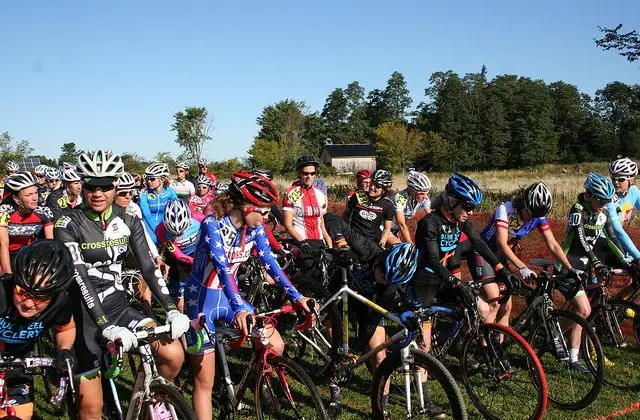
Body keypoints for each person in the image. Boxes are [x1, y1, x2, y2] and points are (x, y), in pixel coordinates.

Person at [54, 149, 190, 419]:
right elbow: (80, 277)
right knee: (91, 409)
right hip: (83, 317)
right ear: (82, 184)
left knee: (173, 354)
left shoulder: (128, 218)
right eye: (91, 185)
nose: (98, 193)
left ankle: (149, 394)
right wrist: (106, 326)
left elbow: (148, 267)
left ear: (115, 186)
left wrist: (172, 309)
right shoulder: (67, 223)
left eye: (105, 186)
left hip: (118, 305)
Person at [184, 170, 312, 420]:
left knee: (275, 344)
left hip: (229, 298)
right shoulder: (213, 225)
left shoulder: (254, 229)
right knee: (205, 380)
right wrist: (240, 308)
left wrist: (297, 296)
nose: (266, 217)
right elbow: (222, 269)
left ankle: (253, 387)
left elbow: (271, 264)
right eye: (263, 211)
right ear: (245, 207)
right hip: (200, 300)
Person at [413, 173, 518, 354]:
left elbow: (479, 244)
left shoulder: (462, 221)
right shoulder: (429, 223)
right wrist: (456, 283)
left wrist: (502, 270)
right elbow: (432, 259)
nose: (471, 212)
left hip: (443, 279)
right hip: (425, 281)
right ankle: (423, 368)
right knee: (425, 346)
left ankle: (467, 345)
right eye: (467, 207)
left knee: (484, 309)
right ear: (451, 202)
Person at [465, 182, 576, 327]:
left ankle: (499, 346)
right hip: (482, 253)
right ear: (524, 204)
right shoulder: (505, 209)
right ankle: (481, 345)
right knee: (494, 302)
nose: (533, 218)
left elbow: (553, 245)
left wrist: (570, 268)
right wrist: (522, 267)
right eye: (531, 214)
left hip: (499, 256)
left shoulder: (538, 216)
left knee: (506, 307)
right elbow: (502, 243)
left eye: (538, 216)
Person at [556, 173, 628, 373]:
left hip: (585, 268)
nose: (604, 205)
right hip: (568, 267)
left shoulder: (602, 214)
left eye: (607, 201)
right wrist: (596, 261)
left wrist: (625, 258)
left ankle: (571, 355)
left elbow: (612, 237)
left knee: (581, 312)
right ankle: (554, 335)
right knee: (584, 310)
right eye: (601, 200)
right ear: (589, 195)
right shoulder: (577, 210)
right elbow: (581, 240)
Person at [0, 240, 76, 420]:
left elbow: (66, 328)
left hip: (20, 365)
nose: (27, 303)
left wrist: (64, 350)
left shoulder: (60, 304)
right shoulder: (2, 292)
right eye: (22, 291)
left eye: (39, 297)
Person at [114, 172, 167, 304]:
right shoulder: (105, 210)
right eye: (122, 193)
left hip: (131, 249)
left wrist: (156, 256)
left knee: (143, 276)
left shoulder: (134, 207)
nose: (127, 196)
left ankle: (147, 309)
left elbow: (143, 234)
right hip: (112, 253)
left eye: (130, 192)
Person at [0, 172, 54, 274]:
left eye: (36, 193)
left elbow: (51, 243)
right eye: (29, 195)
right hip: (5, 254)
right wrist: (7, 274)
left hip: (27, 254)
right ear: (16, 199)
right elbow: (3, 246)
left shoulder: (44, 212)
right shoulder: (4, 212)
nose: (35, 198)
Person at [155, 199, 200, 312]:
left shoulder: (199, 218)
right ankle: (181, 319)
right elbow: (179, 256)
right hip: (178, 257)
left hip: (197, 251)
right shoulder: (160, 231)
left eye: (182, 231)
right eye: (174, 234)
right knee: (178, 292)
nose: (179, 235)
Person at [283, 155, 332, 254]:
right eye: (305, 173)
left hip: (319, 242)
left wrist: (330, 246)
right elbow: (288, 225)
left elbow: (322, 226)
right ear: (299, 173)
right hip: (301, 241)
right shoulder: (291, 193)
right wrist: (302, 242)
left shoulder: (320, 194)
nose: (309, 177)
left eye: (312, 173)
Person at [342, 169, 395, 247]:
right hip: (353, 239)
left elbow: (387, 229)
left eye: (377, 186)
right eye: (372, 183)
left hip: (370, 244)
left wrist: (382, 243)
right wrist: (343, 235)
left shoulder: (388, 205)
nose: (372, 187)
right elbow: (345, 215)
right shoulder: (358, 196)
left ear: (384, 190)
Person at [606, 156, 640, 264]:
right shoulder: (608, 196)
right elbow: (617, 230)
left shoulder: (634, 192)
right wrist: (638, 257)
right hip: (602, 243)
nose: (616, 182)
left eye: (620, 179)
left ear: (631, 180)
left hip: (618, 243)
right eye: (613, 179)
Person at [138, 163, 178, 245]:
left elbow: (177, 208)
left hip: (165, 222)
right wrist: (157, 231)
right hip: (148, 222)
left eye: (152, 179)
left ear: (162, 179)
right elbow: (146, 215)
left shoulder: (170, 191)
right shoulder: (144, 193)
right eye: (147, 178)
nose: (148, 181)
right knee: (153, 240)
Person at [390, 170, 432, 245]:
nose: (425, 197)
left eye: (426, 193)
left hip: (396, 230)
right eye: (421, 193)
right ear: (412, 190)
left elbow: (431, 217)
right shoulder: (401, 198)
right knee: (400, 250)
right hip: (384, 228)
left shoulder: (423, 198)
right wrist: (410, 244)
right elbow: (401, 223)